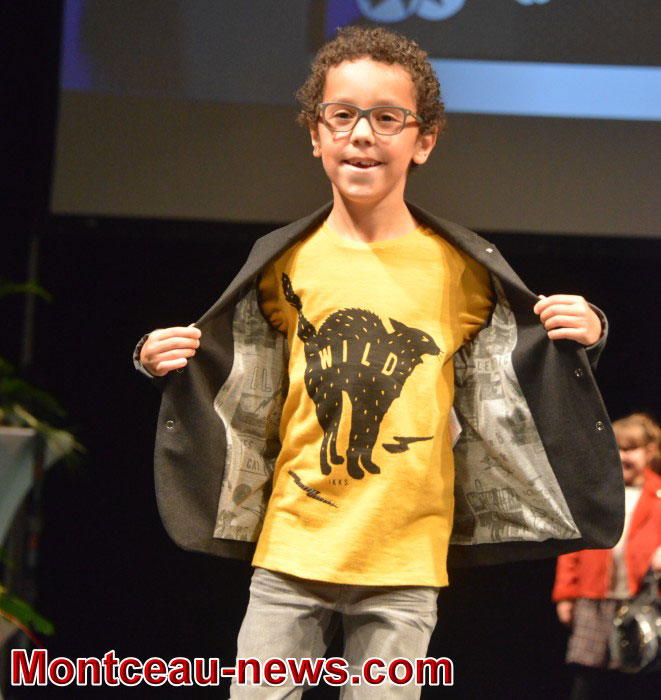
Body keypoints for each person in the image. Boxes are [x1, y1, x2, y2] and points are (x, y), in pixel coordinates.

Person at [135, 27, 622, 697]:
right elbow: (228, 358)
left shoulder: (460, 268)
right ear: (316, 134)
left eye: (387, 118)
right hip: (292, 549)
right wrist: (155, 356)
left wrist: (589, 331)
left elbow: (523, 360)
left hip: (404, 560)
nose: (362, 134)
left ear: (423, 141)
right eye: (342, 115)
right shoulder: (284, 260)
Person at [552, 413, 661, 699]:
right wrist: (566, 595)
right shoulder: (599, 494)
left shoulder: (659, 495)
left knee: (637, 679)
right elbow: (574, 546)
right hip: (594, 601)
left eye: (631, 449)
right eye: (618, 448)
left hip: (643, 602)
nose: (622, 456)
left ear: (650, 451)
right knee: (588, 680)